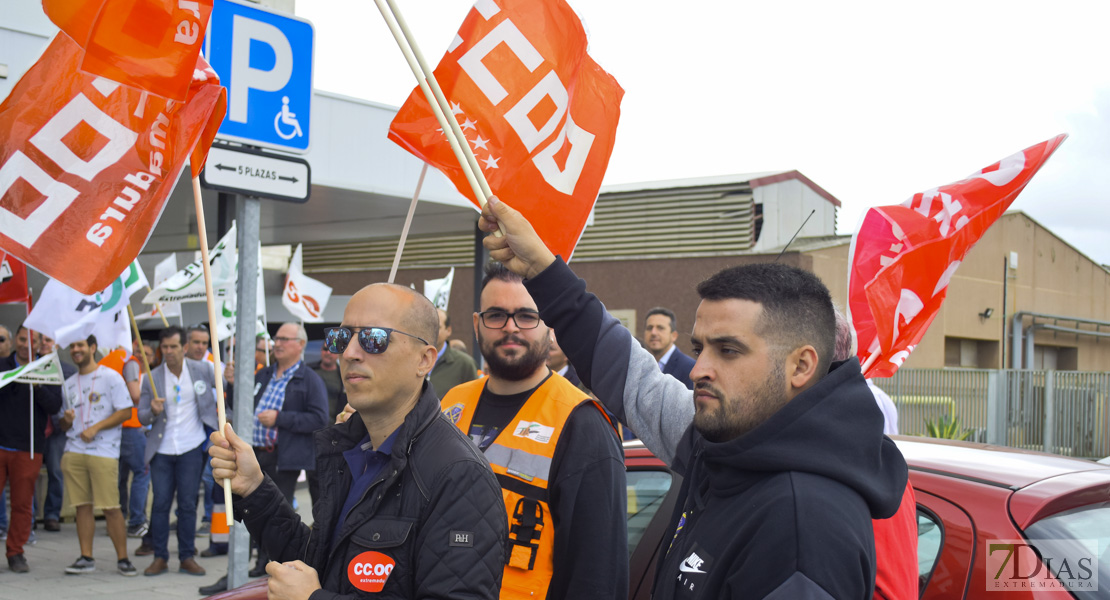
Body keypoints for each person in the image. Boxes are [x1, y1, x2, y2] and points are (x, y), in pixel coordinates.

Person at [478, 196, 908, 599]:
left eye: (729, 350)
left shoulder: (804, 529)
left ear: (801, 366)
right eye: (700, 347)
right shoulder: (728, 437)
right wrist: (541, 268)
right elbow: (633, 378)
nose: (699, 368)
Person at [207, 283, 507, 598]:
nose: (349, 353)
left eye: (373, 339)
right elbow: (316, 565)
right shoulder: (349, 452)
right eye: (341, 338)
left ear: (425, 360)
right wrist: (255, 487)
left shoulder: (459, 475)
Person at [440, 262, 627, 600]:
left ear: (549, 326)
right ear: (476, 324)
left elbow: (598, 575)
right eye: (496, 315)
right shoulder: (452, 404)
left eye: (526, 316)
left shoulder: (582, 424)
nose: (511, 328)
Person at [245, 322, 329, 576]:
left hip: (282, 456)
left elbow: (319, 419)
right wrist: (230, 385)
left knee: (272, 512)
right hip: (255, 453)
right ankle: (255, 559)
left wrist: (280, 418)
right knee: (251, 507)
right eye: (276, 338)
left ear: (300, 345)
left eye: (284, 339)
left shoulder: (309, 379)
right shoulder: (264, 374)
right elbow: (244, 403)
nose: (277, 343)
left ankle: (267, 563)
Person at [137, 325, 217, 577]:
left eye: (173, 346)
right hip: (161, 449)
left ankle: (186, 556)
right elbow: (141, 416)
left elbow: (224, 394)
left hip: (191, 448)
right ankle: (160, 557)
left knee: (187, 504)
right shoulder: (152, 376)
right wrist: (152, 411)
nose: (168, 351)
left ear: (184, 347)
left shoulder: (203, 369)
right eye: (164, 347)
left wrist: (231, 378)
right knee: (160, 504)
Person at [58, 335, 139, 576]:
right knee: (81, 507)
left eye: (81, 345)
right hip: (74, 451)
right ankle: (86, 557)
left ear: (92, 348)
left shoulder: (110, 376)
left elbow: (125, 412)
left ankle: (123, 559)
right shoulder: (69, 383)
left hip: (103, 451)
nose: (76, 350)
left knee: (111, 507)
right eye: (72, 346)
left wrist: (96, 427)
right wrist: (67, 421)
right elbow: (62, 424)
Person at [0, 325, 62, 573]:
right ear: (16, 339)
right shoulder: (2, 365)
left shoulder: (47, 368)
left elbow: (54, 406)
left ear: (38, 343)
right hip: (0, 443)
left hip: (29, 448)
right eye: (22, 339)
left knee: (23, 504)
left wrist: (37, 385)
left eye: (32, 340)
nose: (26, 344)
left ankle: (16, 552)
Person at [99, 340, 150, 539]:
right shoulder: (129, 361)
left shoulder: (105, 360)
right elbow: (135, 395)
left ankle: (116, 521)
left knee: (119, 476)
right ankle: (136, 522)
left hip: (111, 427)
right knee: (141, 473)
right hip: (131, 426)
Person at [38, 332, 76, 533]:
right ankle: (31, 516)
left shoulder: (67, 371)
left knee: (55, 472)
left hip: (57, 429)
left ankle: (52, 515)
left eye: (48, 340)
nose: (44, 344)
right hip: (34, 429)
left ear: (57, 344)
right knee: (31, 473)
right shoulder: (29, 367)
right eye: (40, 339)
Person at [428, 308, 479, 396]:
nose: (432, 331)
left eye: (437, 327)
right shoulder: (411, 360)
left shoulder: (464, 364)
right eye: (428, 326)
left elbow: (474, 397)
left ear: (448, 330)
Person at [644, 307, 696, 390]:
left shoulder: (689, 368)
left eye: (660, 328)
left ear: (674, 336)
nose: (653, 333)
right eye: (649, 328)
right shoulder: (643, 365)